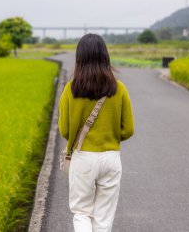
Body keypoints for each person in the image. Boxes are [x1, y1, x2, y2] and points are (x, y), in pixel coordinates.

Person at [58, 33, 134, 232]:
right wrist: (110, 136)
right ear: (105, 57)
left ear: (79, 58)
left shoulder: (70, 89)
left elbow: (65, 130)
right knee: (103, 218)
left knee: (82, 213)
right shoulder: (119, 88)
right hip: (110, 158)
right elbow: (128, 129)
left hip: (82, 157)